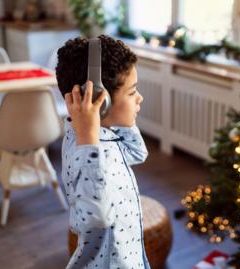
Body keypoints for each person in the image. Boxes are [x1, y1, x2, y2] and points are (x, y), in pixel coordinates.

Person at [55, 35, 150, 269]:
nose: (140, 98)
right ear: (99, 99)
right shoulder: (82, 147)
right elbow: (95, 216)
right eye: (131, 93)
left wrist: (113, 122)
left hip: (131, 256)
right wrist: (89, 137)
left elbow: (138, 154)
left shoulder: (107, 134)